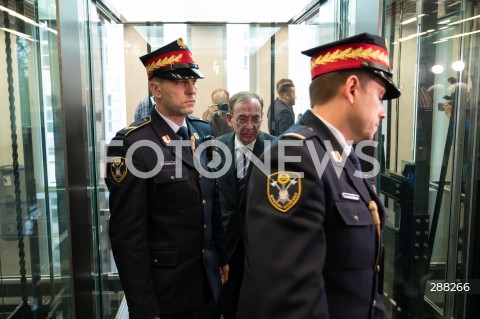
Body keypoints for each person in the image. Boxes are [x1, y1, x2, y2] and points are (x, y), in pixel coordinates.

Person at [237, 33, 401, 319]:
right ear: (352, 89)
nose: (382, 112)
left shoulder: (344, 155)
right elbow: (291, 301)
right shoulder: (292, 157)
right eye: (379, 97)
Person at [105, 38, 229, 319]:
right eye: (179, 81)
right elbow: (128, 235)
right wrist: (144, 306)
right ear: (155, 89)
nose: (191, 89)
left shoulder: (202, 132)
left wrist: (221, 258)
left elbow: (213, 199)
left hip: (208, 283)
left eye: (193, 80)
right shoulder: (132, 145)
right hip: (166, 294)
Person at [215, 91, 274, 319]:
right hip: (227, 249)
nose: (250, 126)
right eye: (242, 119)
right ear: (230, 119)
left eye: (255, 119)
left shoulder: (276, 149)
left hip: (262, 249)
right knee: (230, 307)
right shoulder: (215, 149)